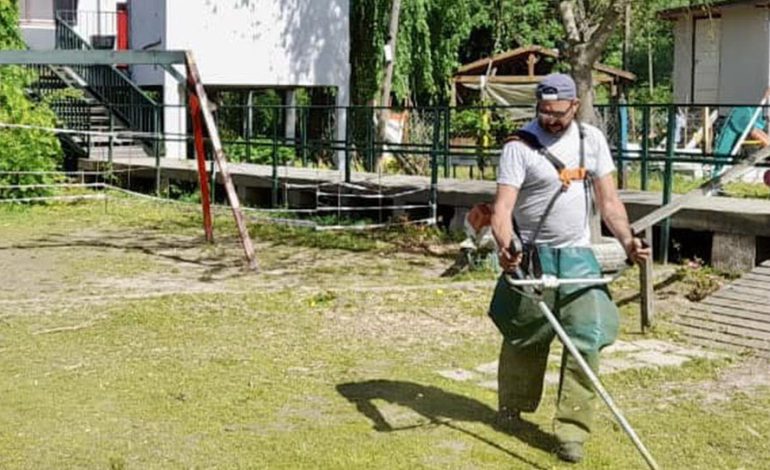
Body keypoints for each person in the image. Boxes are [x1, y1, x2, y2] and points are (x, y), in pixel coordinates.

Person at [487, 73, 650, 464]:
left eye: (557, 113)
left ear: (574, 106)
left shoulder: (590, 140)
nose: (549, 119)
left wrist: (628, 242)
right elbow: (502, 210)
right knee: (524, 334)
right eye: (542, 111)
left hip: (578, 256)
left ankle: (571, 432)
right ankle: (513, 405)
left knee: (587, 337)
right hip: (533, 255)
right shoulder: (519, 146)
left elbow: (609, 202)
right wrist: (507, 248)